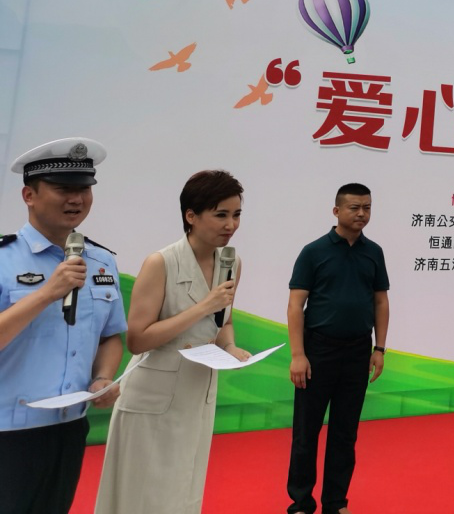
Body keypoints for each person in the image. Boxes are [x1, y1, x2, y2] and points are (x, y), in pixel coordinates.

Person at [95, 170, 250, 514]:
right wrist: (203, 306)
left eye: (237, 214)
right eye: (221, 215)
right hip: (153, 394)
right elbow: (137, 339)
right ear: (191, 216)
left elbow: (223, 321)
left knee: (183, 491)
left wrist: (230, 348)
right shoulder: (160, 262)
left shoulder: (231, 262)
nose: (231, 225)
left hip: (198, 392)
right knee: (143, 495)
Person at [1, 138, 124, 514]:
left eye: (84, 189)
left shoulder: (101, 262)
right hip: (9, 432)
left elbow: (111, 335)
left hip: (70, 427)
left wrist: (103, 377)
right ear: (29, 195)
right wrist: (46, 293)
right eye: (63, 189)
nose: (76, 199)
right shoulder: (4, 259)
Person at [287, 183, 390, 514]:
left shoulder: (374, 252)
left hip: (358, 352)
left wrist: (380, 348)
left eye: (367, 208)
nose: (361, 214)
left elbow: (380, 301)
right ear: (336, 211)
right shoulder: (313, 252)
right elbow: (295, 305)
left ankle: (335, 502)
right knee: (306, 432)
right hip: (318, 351)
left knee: (345, 434)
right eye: (354, 208)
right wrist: (298, 355)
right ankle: (301, 503)